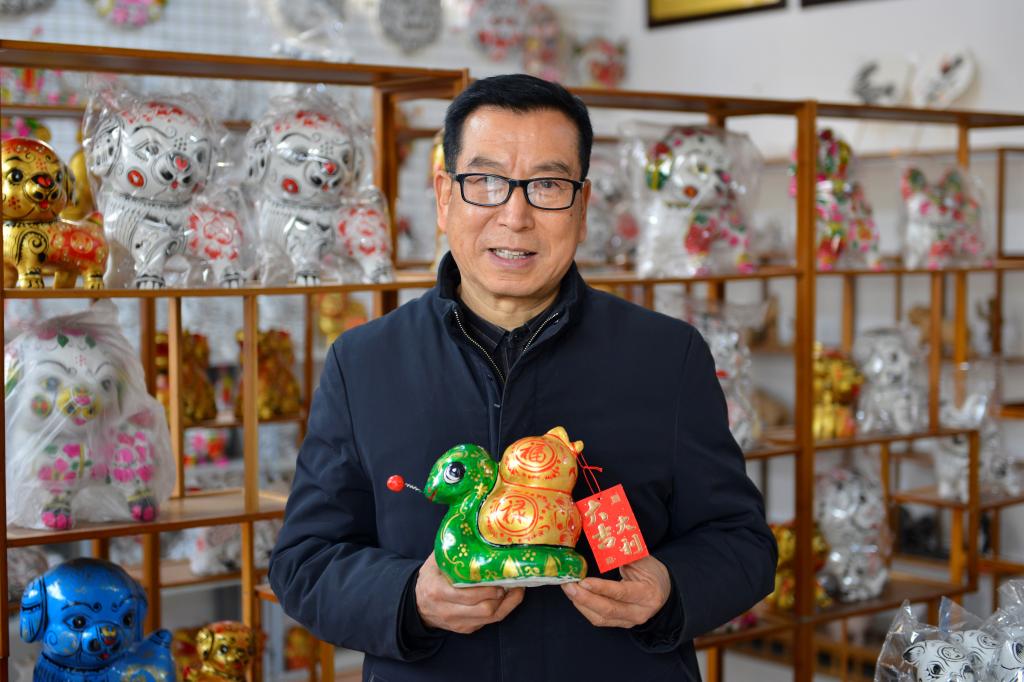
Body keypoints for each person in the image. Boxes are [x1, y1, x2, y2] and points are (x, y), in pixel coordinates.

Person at [269, 74, 777, 682]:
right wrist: (409, 597)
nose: (515, 216)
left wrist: (669, 588)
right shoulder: (364, 363)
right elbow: (304, 562)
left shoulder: (667, 356)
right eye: (485, 182)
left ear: (582, 208)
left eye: (548, 185)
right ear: (444, 197)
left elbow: (742, 542)